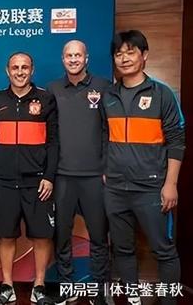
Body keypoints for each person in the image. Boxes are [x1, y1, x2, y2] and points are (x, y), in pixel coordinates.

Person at [102, 30, 184, 305]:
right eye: (119, 54)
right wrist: (106, 169)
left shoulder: (162, 93)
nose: (124, 59)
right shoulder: (109, 95)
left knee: (164, 250)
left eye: (130, 52)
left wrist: (171, 184)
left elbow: (177, 140)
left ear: (144, 55)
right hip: (115, 188)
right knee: (123, 249)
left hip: (151, 187)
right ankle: (133, 298)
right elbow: (104, 135)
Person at [0, 52, 58, 305]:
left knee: (41, 236)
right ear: (7, 71)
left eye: (25, 67)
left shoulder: (46, 99)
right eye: (15, 67)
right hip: (5, 181)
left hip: (37, 182)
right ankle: (7, 286)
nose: (20, 72)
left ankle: (39, 286)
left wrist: (49, 176)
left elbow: (54, 143)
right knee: (6, 236)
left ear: (32, 70)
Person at [47, 40, 110, 305]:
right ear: (63, 59)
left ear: (86, 58)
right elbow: (49, 133)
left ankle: (99, 290)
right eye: (69, 55)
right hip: (62, 176)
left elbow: (110, 130)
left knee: (99, 236)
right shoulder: (52, 89)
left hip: (95, 176)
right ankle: (67, 286)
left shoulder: (103, 87)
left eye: (78, 55)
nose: (73, 59)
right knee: (62, 236)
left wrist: (107, 166)